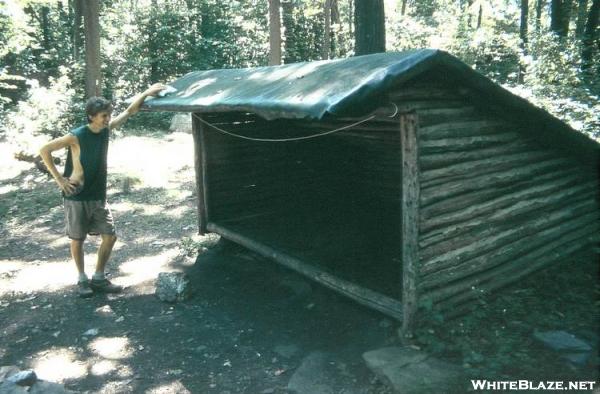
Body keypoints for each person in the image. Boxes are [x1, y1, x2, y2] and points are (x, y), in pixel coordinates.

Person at [39, 83, 166, 297]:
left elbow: (129, 111)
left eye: (108, 115)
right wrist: (60, 179)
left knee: (110, 236)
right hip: (77, 196)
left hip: (98, 196)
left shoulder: (105, 131)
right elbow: (44, 150)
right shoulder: (76, 135)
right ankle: (82, 279)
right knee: (77, 239)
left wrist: (145, 93)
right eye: (103, 116)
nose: (107, 119)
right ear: (91, 116)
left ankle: (98, 278)